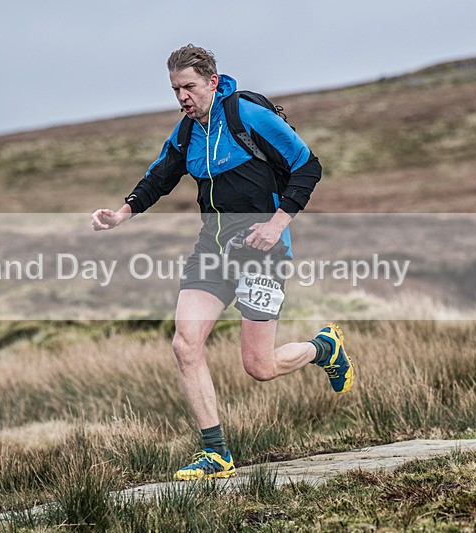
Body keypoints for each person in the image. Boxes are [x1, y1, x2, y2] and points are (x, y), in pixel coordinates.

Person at [91, 44, 353, 481]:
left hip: (262, 250)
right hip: (212, 250)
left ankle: (325, 348)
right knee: (184, 345)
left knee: (259, 366)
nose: (182, 97)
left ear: (212, 82)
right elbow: (159, 177)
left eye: (189, 87)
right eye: (175, 89)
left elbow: (308, 166)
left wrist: (276, 224)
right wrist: (121, 214)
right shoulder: (186, 133)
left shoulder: (247, 116)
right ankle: (216, 454)